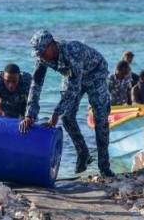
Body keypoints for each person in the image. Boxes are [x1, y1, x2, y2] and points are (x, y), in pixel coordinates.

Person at [19, 30, 115, 177]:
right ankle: (83, 154)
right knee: (67, 118)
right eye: (37, 53)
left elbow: (74, 88)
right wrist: (30, 115)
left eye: (42, 52)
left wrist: (56, 113)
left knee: (100, 118)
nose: (40, 56)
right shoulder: (42, 58)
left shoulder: (72, 52)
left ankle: (104, 167)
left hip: (95, 73)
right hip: (71, 76)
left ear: (52, 45)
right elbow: (36, 85)